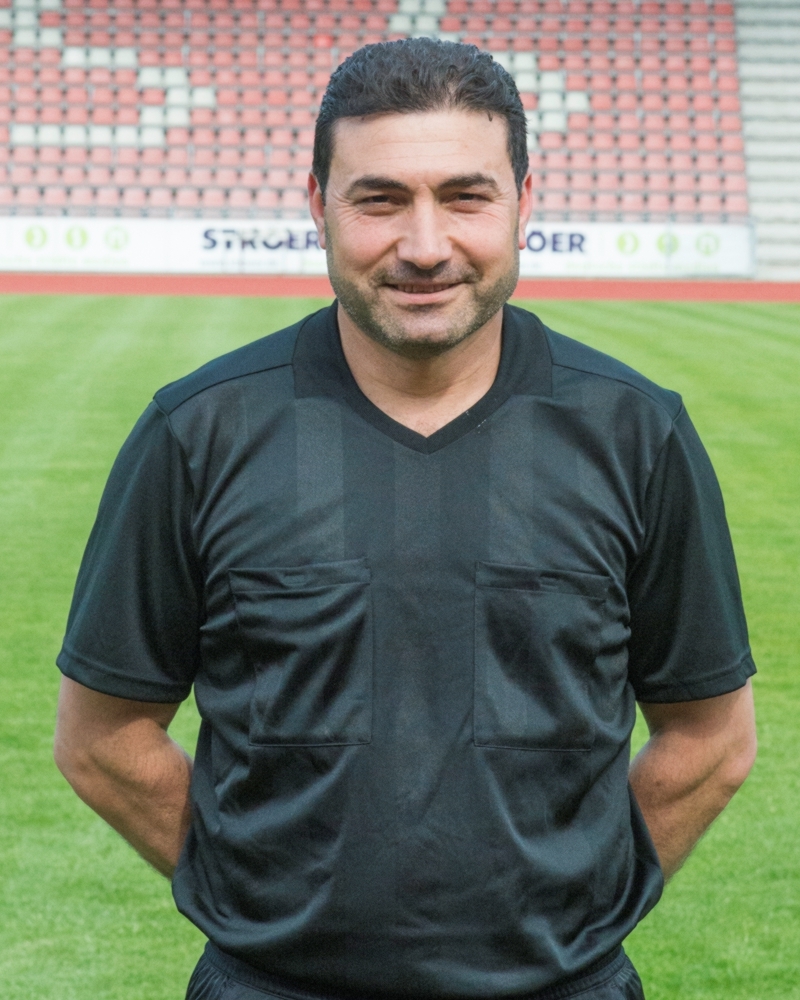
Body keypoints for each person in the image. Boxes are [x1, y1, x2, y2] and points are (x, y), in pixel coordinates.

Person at [54, 38, 757, 1000]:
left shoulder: (635, 432)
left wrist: (580, 914)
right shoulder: (198, 432)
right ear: (318, 206)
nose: (425, 246)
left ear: (524, 202)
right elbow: (101, 736)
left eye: (466, 197)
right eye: (379, 200)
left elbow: (711, 736)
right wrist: (260, 905)